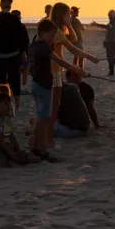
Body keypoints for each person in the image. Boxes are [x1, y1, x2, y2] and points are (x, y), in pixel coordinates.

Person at [30, 19, 87, 158]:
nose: (52, 38)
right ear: (43, 33)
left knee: (41, 115)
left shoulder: (33, 45)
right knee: (44, 116)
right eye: (50, 35)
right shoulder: (43, 47)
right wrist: (75, 68)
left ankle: (36, 143)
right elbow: (58, 60)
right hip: (43, 85)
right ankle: (40, 146)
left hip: (35, 84)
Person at [46, 3, 99, 146]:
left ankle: (45, 131)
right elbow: (73, 47)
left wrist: (68, 25)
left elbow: (73, 39)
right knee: (54, 104)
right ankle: (47, 135)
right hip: (54, 71)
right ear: (62, 15)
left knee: (51, 104)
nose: (71, 16)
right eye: (68, 13)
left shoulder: (56, 29)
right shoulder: (56, 31)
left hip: (54, 70)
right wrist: (90, 58)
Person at [0, 0, 29, 111]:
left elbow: (22, 38)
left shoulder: (15, 19)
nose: (6, 5)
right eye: (4, 3)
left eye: (8, 4)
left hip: (12, 56)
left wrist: (23, 52)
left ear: (10, 6)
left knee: (15, 80)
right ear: (0, 4)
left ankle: (17, 105)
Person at [0, 92, 40, 167]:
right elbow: (1, 141)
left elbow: (11, 136)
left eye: (9, 103)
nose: (9, 106)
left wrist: (18, 151)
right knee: (3, 163)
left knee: (35, 159)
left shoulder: (6, 119)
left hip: (8, 147)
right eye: (5, 104)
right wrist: (13, 156)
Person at [54, 68, 93, 137]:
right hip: (84, 127)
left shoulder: (59, 93)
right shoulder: (73, 87)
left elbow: (53, 114)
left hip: (73, 130)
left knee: (43, 122)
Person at [103, 10, 115, 76]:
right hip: (110, 42)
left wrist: (96, 24)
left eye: (109, 16)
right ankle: (112, 71)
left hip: (111, 42)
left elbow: (107, 27)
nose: (108, 17)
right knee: (110, 57)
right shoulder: (112, 22)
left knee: (113, 57)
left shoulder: (114, 22)